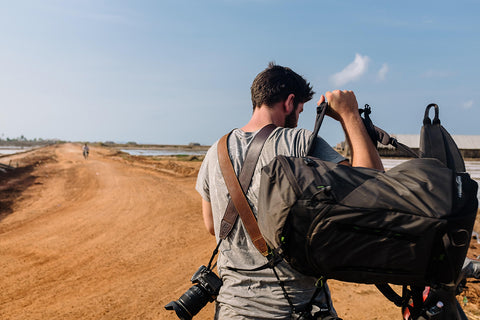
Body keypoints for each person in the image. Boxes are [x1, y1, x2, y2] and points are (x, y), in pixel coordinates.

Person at [195, 63, 384, 320]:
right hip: (297, 309)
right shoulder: (299, 142)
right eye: (300, 110)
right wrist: (349, 115)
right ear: (289, 102)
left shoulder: (215, 152)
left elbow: (211, 225)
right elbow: (373, 191)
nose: (298, 118)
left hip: (231, 311)